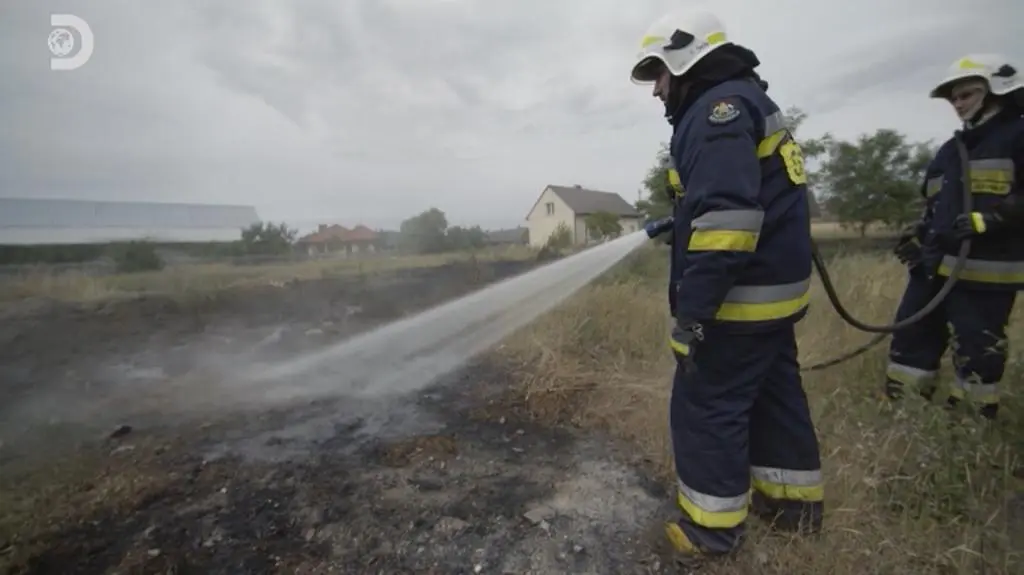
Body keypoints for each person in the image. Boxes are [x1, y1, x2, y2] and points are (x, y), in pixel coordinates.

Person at [628, 10, 824, 562]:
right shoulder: (747, 102)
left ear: (687, 60)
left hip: (736, 305)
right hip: (774, 299)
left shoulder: (716, 112)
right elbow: (738, 197)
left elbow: (730, 221)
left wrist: (693, 314)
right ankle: (794, 509)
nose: (657, 90)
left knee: (705, 405)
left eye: (659, 74)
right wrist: (680, 219)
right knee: (775, 398)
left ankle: (709, 533)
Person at [886, 54, 1024, 420]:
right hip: (935, 268)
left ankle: (971, 428)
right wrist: (918, 235)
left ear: (997, 91)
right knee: (910, 341)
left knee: (977, 352)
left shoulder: (1018, 136)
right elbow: (935, 206)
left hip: (985, 274)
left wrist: (993, 220)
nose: (959, 104)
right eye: (955, 98)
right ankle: (907, 419)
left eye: (967, 94)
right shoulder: (951, 150)